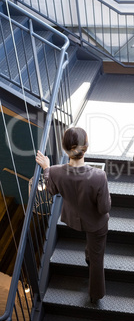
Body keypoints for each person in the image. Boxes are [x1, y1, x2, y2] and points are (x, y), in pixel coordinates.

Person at [36, 127, 111, 303]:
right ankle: (96, 294)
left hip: (73, 219)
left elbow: (52, 190)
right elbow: (104, 208)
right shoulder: (99, 176)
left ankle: (88, 257)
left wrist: (46, 168)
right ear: (86, 147)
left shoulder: (54, 172)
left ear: (65, 149)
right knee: (97, 259)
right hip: (96, 223)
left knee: (92, 251)